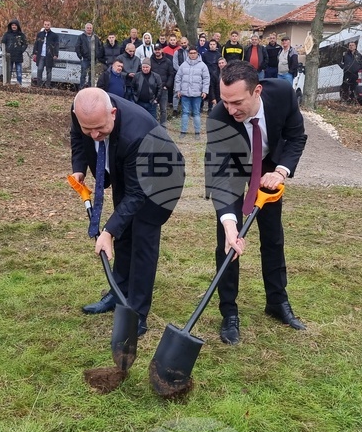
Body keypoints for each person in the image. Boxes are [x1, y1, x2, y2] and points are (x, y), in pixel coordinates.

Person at [205, 61, 308, 345]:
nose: (230, 109)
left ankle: (277, 302)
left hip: (270, 168)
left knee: (273, 238)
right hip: (235, 169)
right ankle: (229, 313)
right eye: (225, 101)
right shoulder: (219, 117)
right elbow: (220, 173)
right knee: (228, 244)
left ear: (257, 91)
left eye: (237, 102)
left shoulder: (283, 94)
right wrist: (229, 223)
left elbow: (296, 137)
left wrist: (280, 171)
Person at [71, 88, 184, 337]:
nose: (94, 135)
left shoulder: (137, 133)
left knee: (142, 239)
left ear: (113, 113)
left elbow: (137, 194)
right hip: (127, 168)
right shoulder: (83, 110)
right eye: (88, 129)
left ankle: (136, 313)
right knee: (124, 234)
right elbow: (78, 139)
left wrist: (107, 232)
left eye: (99, 128)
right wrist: (79, 167)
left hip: (161, 178)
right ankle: (117, 293)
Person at [174, 47, 210, 138]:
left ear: (197, 54)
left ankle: (197, 132)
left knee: (196, 113)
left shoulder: (202, 65)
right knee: (185, 113)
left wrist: (205, 91)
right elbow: (178, 78)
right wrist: (178, 90)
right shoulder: (183, 65)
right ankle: (183, 131)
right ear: (188, 54)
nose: (193, 54)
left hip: (197, 94)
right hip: (185, 93)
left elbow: (206, 79)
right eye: (191, 53)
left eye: (194, 53)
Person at [150, 44, 175, 125]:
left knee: (163, 109)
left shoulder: (168, 61)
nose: (157, 51)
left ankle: (163, 126)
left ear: (162, 50)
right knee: (152, 108)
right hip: (152, 88)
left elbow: (171, 74)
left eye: (159, 49)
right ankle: (153, 125)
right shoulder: (150, 61)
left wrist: (167, 85)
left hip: (163, 88)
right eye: (156, 49)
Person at [75, 22, 103, 89]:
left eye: (90, 28)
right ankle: (81, 88)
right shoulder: (81, 37)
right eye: (88, 28)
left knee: (92, 75)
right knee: (83, 74)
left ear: (92, 29)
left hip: (94, 60)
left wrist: (98, 55)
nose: (89, 29)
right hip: (85, 59)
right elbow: (77, 47)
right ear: (85, 29)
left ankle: (91, 88)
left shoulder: (95, 37)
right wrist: (80, 56)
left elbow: (100, 47)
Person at [32, 20, 59, 88]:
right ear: (43, 25)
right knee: (39, 69)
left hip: (49, 56)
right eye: (45, 24)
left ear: (50, 25)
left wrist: (55, 54)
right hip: (41, 55)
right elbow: (36, 44)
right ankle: (39, 84)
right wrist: (34, 53)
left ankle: (48, 85)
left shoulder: (54, 35)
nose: (46, 26)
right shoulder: (40, 34)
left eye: (48, 25)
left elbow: (56, 45)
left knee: (49, 71)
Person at [1, 20, 28, 86]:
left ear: (17, 26)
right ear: (10, 26)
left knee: (19, 70)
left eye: (15, 25)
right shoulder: (7, 34)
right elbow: (3, 43)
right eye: (13, 25)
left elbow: (25, 44)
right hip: (9, 56)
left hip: (18, 55)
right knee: (8, 70)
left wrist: (21, 50)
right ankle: (7, 83)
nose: (14, 26)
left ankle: (19, 83)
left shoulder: (21, 35)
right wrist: (5, 51)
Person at [202, 39, 222, 111]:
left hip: (216, 74)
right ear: (209, 45)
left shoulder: (219, 54)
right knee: (207, 90)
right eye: (211, 44)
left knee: (215, 90)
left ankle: (215, 107)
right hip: (207, 74)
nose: (212, 46)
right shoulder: (205, 54)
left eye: (214, 44)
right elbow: (203, 65)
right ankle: (206, 106)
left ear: (216, 45)